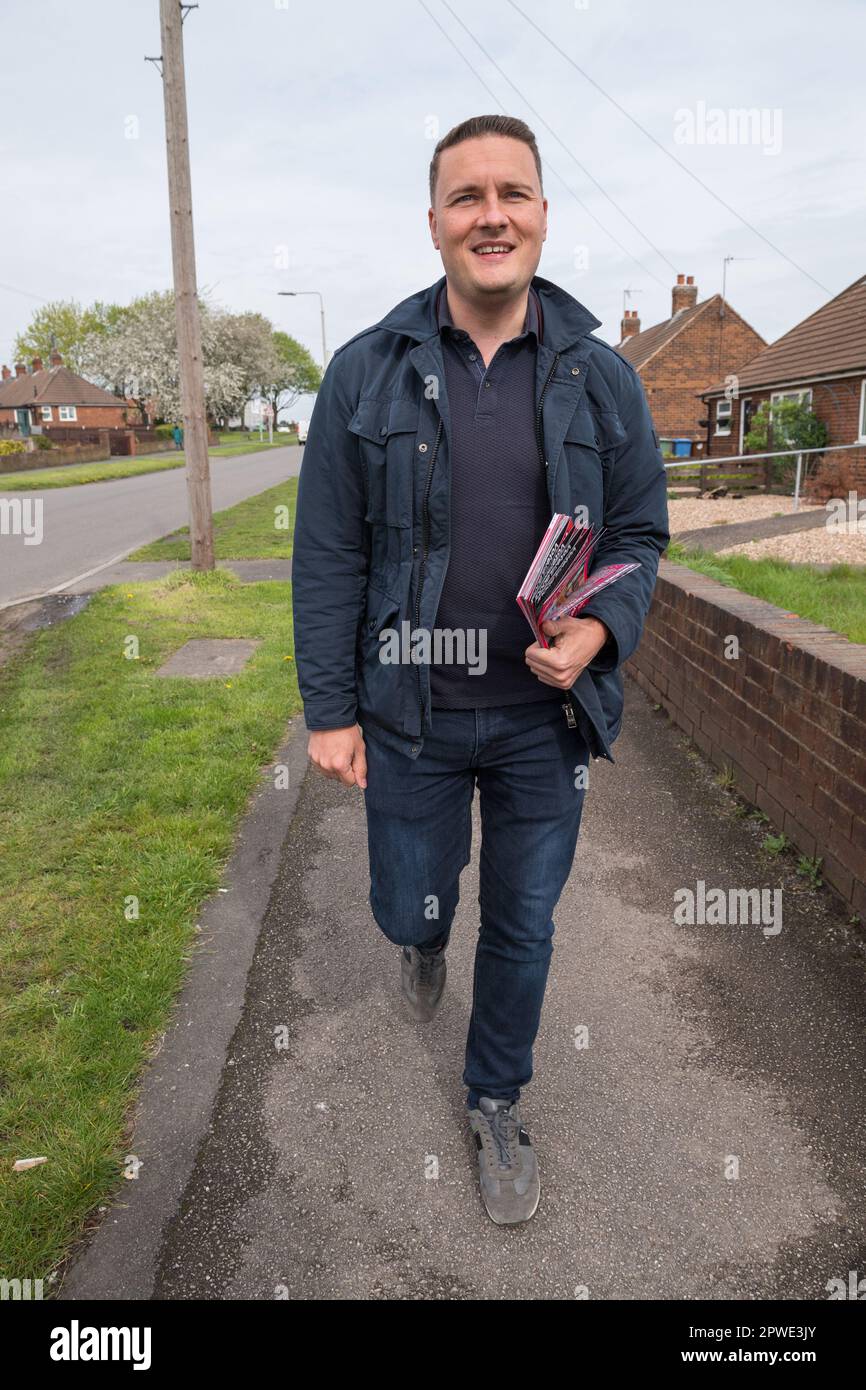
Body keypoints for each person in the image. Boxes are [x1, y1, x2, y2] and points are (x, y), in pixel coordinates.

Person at [292, 114, 669, 1225]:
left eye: (512, 193)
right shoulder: (365, 374)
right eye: (466, 197)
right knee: (410, 909)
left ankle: (494, 1096)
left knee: (526, 922)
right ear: (434, 225)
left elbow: (639, 536)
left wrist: (601, 630)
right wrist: (328, 709)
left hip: (541, 724)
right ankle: (421, 938)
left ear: (543, 214)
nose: (490, 215)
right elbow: (328, 554)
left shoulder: (601, 380)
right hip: (405, 712)